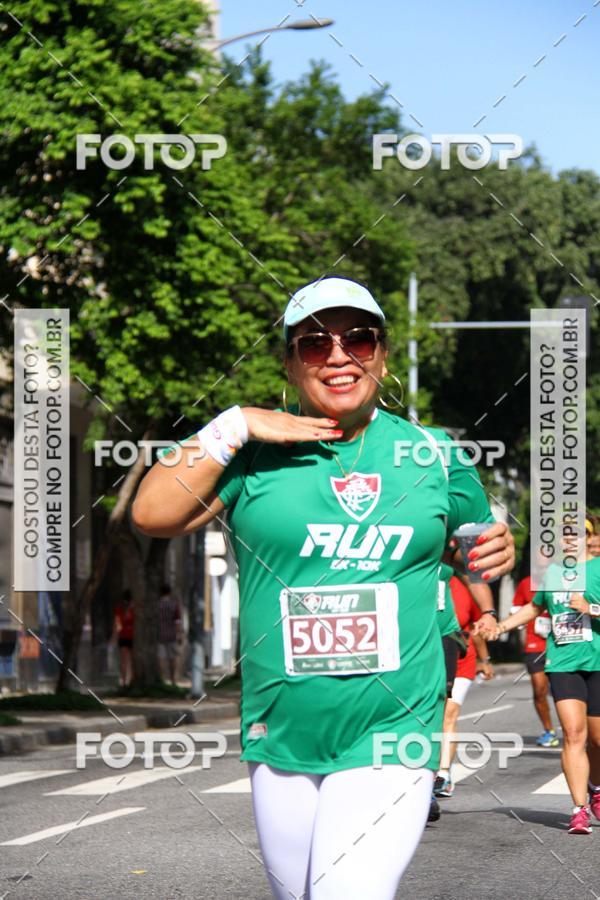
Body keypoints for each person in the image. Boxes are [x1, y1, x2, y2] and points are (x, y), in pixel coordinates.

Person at [133, 276, 515, 898]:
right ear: (290, 363)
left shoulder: (434, 452)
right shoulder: (254, 452)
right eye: (314, 344)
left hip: (393, 727)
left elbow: (476, 542)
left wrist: (497, 545)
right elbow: (151, 513)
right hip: (280, 730)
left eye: (358, 339)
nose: (338, 356)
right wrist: (235, 424)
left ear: (381, 355)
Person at [480, 530, 600, 835]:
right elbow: (534, 608)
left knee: (598, 740)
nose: (570, 539)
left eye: (579, 533)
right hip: (562, 663)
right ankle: (578, 810)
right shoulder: (552, 573)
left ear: (589, 538)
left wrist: (591, 609)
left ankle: (596, 788)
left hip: (598, 662)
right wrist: (501, 627)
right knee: (573, 734)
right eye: (565, 533)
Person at [434, 573, 494, 798]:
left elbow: (476, 629)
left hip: (460, 659)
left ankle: (443, 774)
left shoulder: (464, 584)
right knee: (431, 714)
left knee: (449, 712)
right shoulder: (421, 576)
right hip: (428, 658)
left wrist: (485, 660)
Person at [511, 572, 558, 747]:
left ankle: (580, 729)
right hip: (535, 643)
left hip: (561, 643)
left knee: (565, 690)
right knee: (539, 689)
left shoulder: (565, 578)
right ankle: (549, 731)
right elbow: (516, 608)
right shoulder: (526, 583)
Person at [158, 583, 183, 685]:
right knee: (172, 657)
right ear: (169, 592)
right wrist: (179, 635)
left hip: (159, 635)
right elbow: (177, 622)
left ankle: (162, 679)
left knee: (161, 657)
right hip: (171, 635)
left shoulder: (157, 605)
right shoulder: (174, 605)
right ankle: (173, 679)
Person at [113, 589, 134, 687]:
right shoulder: (134, 608)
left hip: (123, 636)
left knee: (123, 661)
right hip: (133, 636)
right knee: (132, 660)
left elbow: (117, 624)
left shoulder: (119, 609)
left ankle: (123, 681)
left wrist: (115, 636)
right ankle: (131, 679)